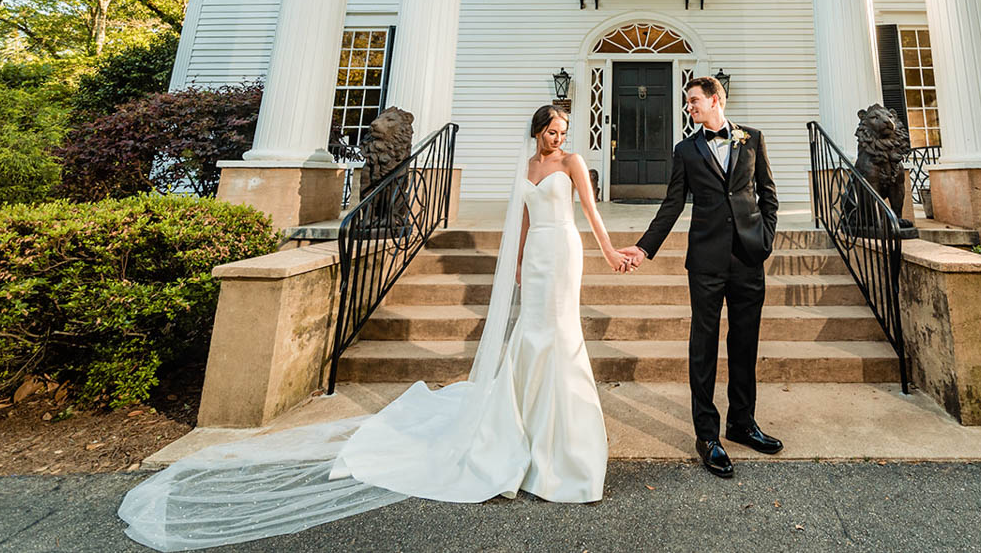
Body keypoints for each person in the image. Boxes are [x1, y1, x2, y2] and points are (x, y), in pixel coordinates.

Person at [119, 105, 629, 551]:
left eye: (563, 131)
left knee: (560, 333)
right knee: (533, 331)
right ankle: (523, 419)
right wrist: (514, 261)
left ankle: (561, 440)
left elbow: (588, 211)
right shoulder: (528, 165)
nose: (559, 138)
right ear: (538, 130)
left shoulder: (572, 163)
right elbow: (519, 219)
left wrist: (608, 252)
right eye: (553, 130)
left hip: (564, 251)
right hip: (535, 254)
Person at [618, 75, 782, 477]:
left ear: (715, 100)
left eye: (693, 100)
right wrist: (643, 248)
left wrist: (765, 240)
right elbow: (672, 204)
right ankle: (707, 435)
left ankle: (742, 423)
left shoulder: (752, 138)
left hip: (748, 258)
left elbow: (768, 194)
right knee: (703, 347)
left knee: (745, 344)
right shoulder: (685, 150)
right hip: (706, 263)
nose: (688, 107)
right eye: (687, 102)